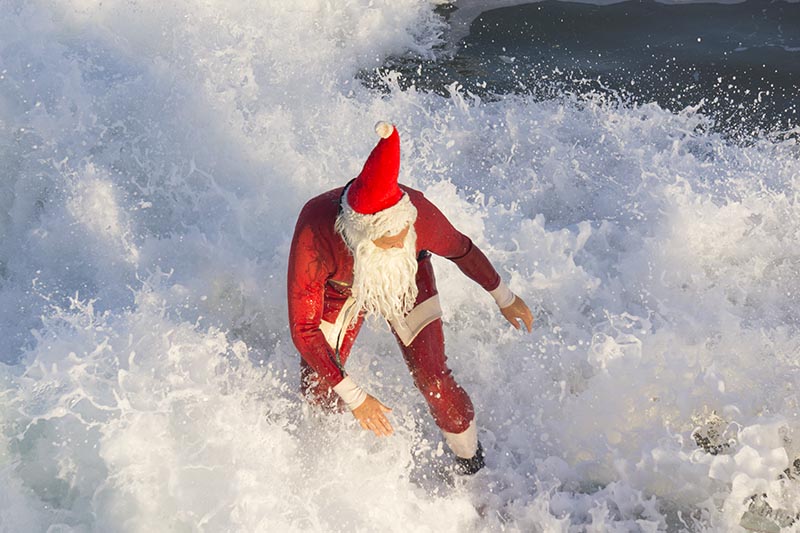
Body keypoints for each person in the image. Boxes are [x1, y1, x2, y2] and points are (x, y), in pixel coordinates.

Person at [287, 121, 534, 475]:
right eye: (389, 243)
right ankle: (325, 469)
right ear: (360, 236)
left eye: (404, 234)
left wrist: (504, 296)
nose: (400, 241)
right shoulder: (315, 231)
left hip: (406, 277)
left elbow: (462, 250)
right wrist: (357, 398)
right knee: (318, 387)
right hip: (340, 290)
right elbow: (303, 329)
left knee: (434, 382)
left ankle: (472, 465)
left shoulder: (418, 216)